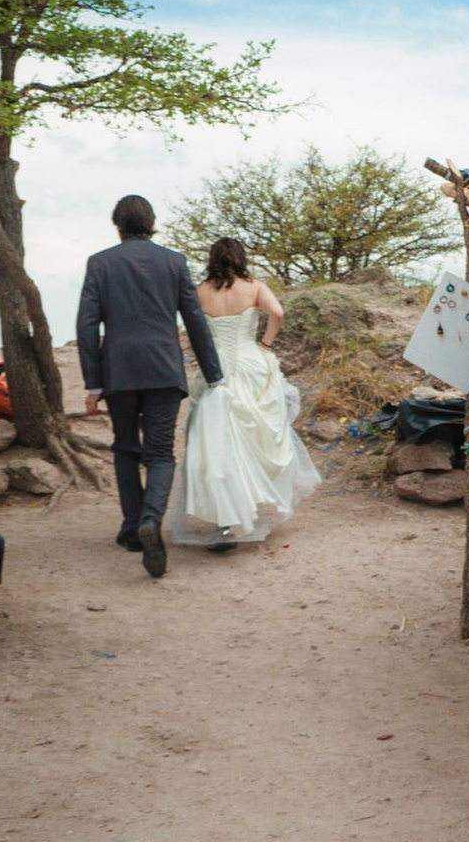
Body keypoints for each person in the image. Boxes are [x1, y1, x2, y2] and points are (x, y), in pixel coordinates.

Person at [76, 194, 223, 578]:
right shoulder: (174, 262)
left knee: (125, 447)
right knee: (159, 453)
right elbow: (194, 320)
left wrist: (93, 383)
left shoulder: (100, 263)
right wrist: (214, 373)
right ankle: (151, 519)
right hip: (163, 370)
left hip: (118, 373)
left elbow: (87, 325)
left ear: (117, 226)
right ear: (153, 223)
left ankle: (132, 530)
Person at [170, 237, 321, 554]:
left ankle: (227, 517)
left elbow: (192, 329)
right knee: (256, 438)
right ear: (241, 258)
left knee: (219, 442)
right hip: (251, 363)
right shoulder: (253, 287)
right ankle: (249, 509)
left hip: (217, 369)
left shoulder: (201, 291)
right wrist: (265, 343)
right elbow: (276, 312)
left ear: (212, 259)